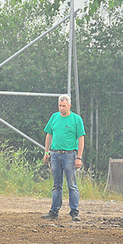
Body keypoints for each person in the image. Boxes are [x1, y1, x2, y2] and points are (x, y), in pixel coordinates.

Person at [42, 94, 85, 222]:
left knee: (72, 184)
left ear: (69, 106)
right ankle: (54, 211)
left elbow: (81, 138)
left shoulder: (76, 119)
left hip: (70, 155)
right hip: (55, 154)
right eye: (60, 106)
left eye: (64, 106)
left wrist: (79, 157)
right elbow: (49, 134)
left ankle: (74, 211)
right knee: (56, 185)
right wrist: (46, 152)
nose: (61, 108)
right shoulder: (54, 117)